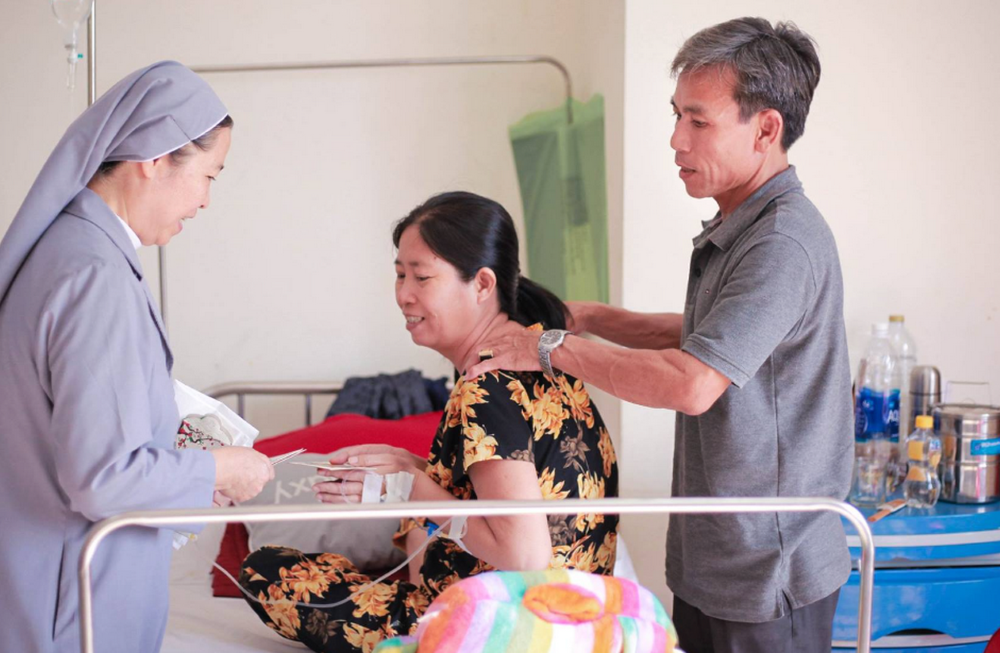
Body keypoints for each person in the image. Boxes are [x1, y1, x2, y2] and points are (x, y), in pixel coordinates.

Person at [468, 18, 853, 653]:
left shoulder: (781, 242)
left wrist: (548, 349)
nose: (675, 139)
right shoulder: (742, 226)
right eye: (677, 115)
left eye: (698, 121)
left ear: (766, 129)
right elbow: (710, 340)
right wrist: (590, 318)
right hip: (716, 560)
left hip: (764, 571)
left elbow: (695, 382)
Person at [238, 191, 619, 652]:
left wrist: (407, 488)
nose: (403, 294)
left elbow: (526, 555)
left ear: (482, 284)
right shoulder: (543, 363)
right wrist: (414, 466)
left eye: (421, 277)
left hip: (496, 629)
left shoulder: (487, 386)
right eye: (399, 275)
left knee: (268, 570)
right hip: (574, 621)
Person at [0, 61, 274, 653]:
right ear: (154, 159)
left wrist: (188, 479)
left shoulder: (69, 253)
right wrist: (219, 468)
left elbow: (81, 438)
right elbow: (102, 478)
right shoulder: (94, 275)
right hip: (74, 609)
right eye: (209, 176)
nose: (204, 200)